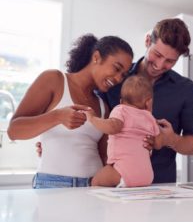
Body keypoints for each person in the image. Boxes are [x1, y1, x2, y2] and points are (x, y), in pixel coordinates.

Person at [7, 34, 133, 188]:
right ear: (96, 57)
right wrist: (57, 117)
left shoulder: (103, 107)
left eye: (123, 75)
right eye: (117, 68)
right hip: (52, 186)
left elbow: (105, 156)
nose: (119, 78)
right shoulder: (54, 80)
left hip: (93, 187)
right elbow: (14, 131)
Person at [103, 18, 193, 183]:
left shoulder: (186, 89)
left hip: (161, 188)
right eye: (157, 54)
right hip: (114, 185)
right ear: (148, 41)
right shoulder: (117, 78)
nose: (159, 65)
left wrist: (170, 140)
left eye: (170, 61)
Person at [85, 76, 159, 187]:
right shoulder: (150, 119)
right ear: (149, 103)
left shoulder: (121, 110)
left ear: (121, 101)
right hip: (147, 177)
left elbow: (113, 127)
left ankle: (93, 189)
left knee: (98, 179)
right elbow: (157, 141)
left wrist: (92, 119)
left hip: (122, 172)